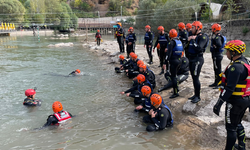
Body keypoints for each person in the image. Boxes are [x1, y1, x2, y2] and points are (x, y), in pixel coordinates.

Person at [213, 40, 250, 150]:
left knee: (231, 128)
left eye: (228, 51)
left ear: (233, 53)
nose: (226, 53)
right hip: (244, 99)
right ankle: (242, 146)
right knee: (237, 123)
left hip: (235, 101)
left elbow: (229, 89)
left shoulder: (235, 67)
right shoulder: (245, 61)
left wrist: (218, 103)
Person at [187, 21, 209, 103]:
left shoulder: (202, 37)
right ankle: (195, 94)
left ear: (197, 28)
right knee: (193, 77)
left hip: (197, 60)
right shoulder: (194, 36)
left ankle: (198, 96)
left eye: (193, 27)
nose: (191, 29)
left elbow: (199, 48)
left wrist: (192, 40)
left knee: (196, 78)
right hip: (191, 59)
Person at [163, 29, 183, 98]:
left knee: (173, 77)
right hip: (180, 60)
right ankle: (177, 88)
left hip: (174, 61)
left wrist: (165, 63)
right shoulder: (179, 41)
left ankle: (175, 93)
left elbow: (168, 55)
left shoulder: (171, 42)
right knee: (176, 75)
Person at [209, 23, 227, 88]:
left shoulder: (217, 37)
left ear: (214, 29)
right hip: (218, 55)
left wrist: (214, 46)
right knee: (216, 69)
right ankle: (216, 82)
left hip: (217, 55)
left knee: (218, 69)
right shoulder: (220, 35)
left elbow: (219, 44)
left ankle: (219, 83)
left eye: (212, 29)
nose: (211, 30)